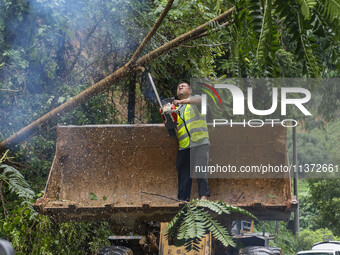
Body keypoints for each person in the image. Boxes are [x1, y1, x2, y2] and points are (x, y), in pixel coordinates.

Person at [172, 81, 210, 201]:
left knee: (201, 169)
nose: (180, 87)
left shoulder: (195, 101)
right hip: (184, 146)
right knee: (183, 174)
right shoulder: (176, 110)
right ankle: (183, 201)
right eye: (178, 87)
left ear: (190, 90)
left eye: (183, 86)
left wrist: (181, 102)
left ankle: (204, 197)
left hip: (199, 143)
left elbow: (201, 100)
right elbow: (174, 129)